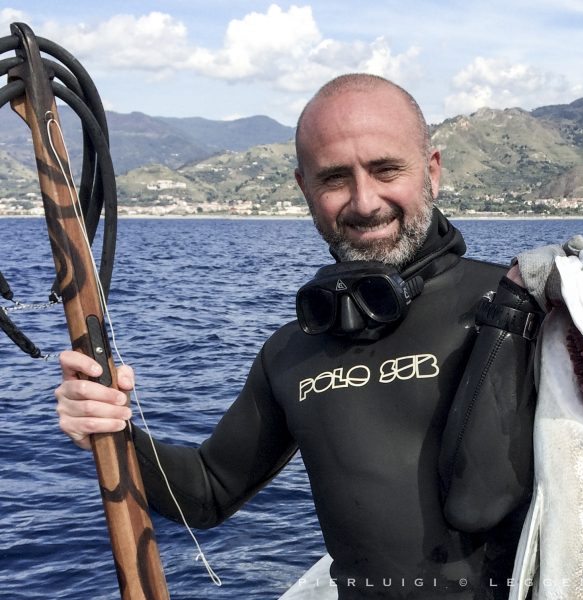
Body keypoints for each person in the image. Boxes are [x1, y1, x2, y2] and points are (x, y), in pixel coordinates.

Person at [55, 74, 542, 599]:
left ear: (432, 171)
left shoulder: (527, 309)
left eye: (386, 169)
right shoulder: (291, 351)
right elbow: (209, 490)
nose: (364, 201)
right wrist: (110, 431)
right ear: (303, 187)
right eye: (334, 179)